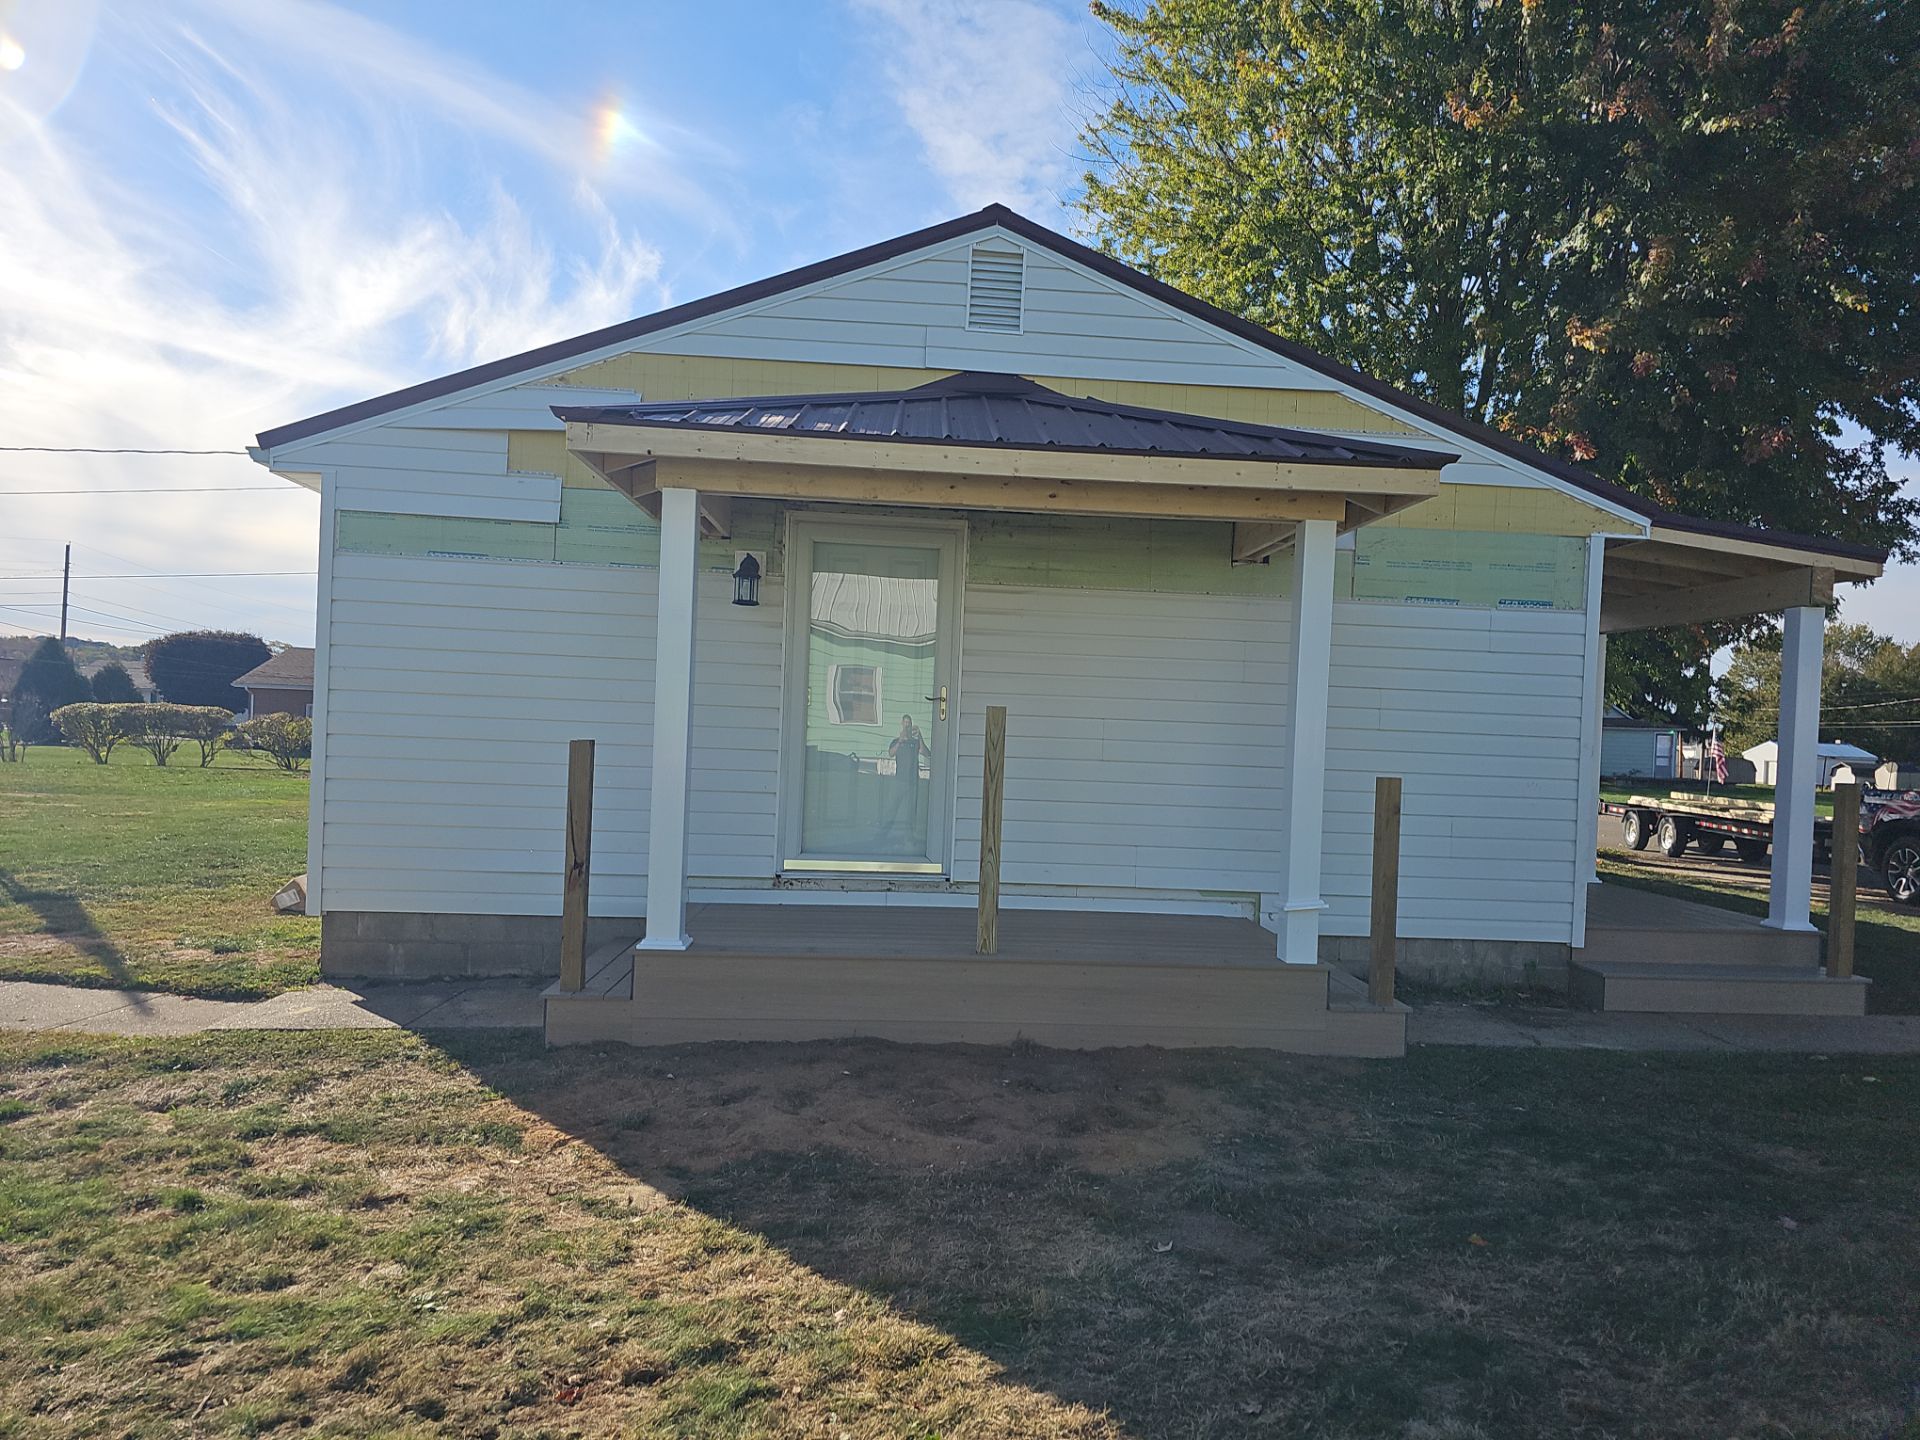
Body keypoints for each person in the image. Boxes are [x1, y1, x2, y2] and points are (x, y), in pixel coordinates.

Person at [883, 713, 927, 838]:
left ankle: (910, 835)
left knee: (911, 810)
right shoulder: (896, 741)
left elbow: (925, 752)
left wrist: (920, 737)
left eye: (909, 723)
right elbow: (891, 753)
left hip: (913, 781)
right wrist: (900, 741)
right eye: (905, 723)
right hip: (899, 780)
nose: (907, 725)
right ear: (902, 724)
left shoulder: (915, 742)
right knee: (892, 806)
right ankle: (885, 832)